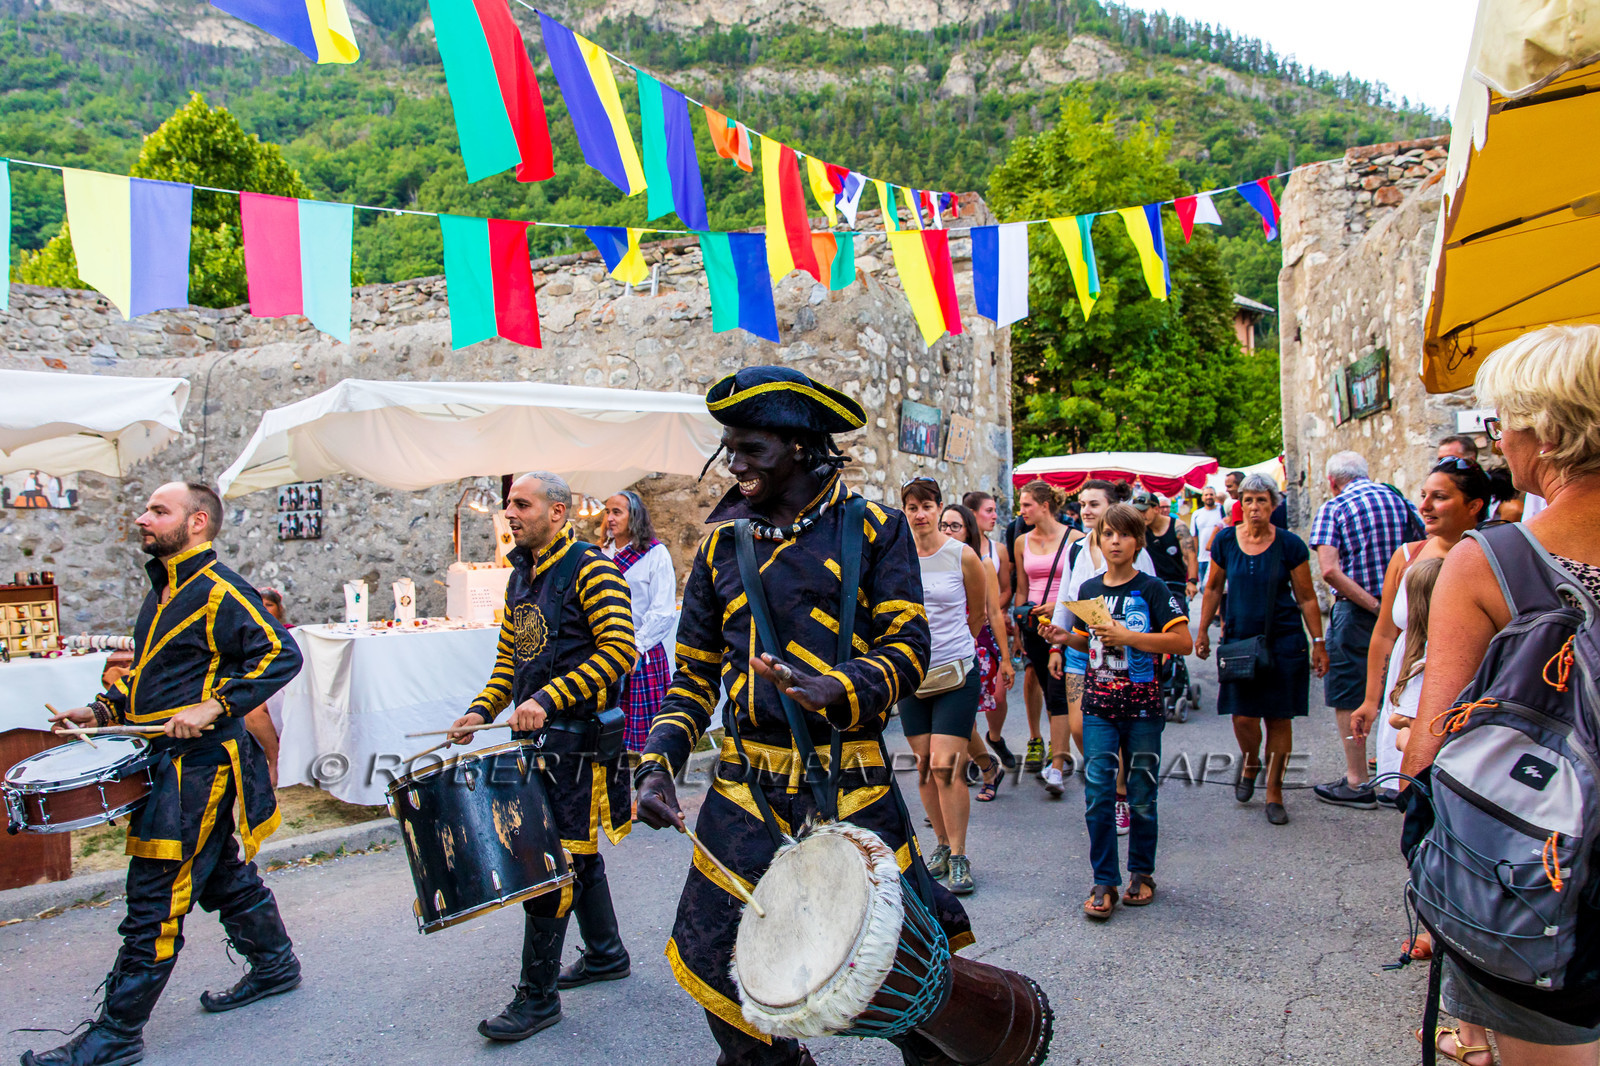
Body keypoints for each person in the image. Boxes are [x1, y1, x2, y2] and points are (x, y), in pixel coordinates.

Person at [632, 367, 972, 1066]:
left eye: (751, 449)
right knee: (725, 976)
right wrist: (658, 765)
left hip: (852, 783)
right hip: (744, 793)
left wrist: (836, 688)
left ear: (801, 446)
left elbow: (909, 646)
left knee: (905, 978)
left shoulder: (875, 529)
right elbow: (693, 675)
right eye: (729, 447)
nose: (735, 464)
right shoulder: (720, 545)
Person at [34, 483, 303, 1066]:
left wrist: (215, 706)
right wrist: (101, 709)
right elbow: (154, 672)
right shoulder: (163, 588)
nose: (142, 518)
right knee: (221, 875)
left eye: (158, 511)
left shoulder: (221, 589)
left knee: (156, 896)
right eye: (147, 510)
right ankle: (275, 964)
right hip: (167, 760)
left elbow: (282, 654)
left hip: (200, 769)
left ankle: (117, 1034)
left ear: (197, 522)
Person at [1402, 325, 1600, 1066]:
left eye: (1500, 425)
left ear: (1545, 433)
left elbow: (1431, 748)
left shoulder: (1493, 560)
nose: (1498, 444)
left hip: (1544, 879)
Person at [446, 471, 638, 1041]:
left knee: (551, 865)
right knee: (572, 853)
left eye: (521, 504)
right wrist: (479, 712)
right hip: (540, 743)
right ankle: (605, 953)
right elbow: (510, 662)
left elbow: (621, 651)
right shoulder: (520, 577)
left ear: (558, 512)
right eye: (509, 503)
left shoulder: (592, 569)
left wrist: (547, 699)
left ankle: (538, 998)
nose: (509, 512)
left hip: (579, 743)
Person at [1054, 504, 1191, 919]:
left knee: (1142, 794)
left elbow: (1182, 642)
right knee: (1098, 795)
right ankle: (1104, 880)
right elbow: (1089, 641)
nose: (1115, 542)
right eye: (1108, 534)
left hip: (1143, 708)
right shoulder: (1089, 589)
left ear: (1138, 542)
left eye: (1124, 534)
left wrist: (1129, 636)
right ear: (1098, 540)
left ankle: (1142, 873)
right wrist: (1064, 637)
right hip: (1098, 706)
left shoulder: (1152, 589)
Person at [1348, 458, 1492, 807]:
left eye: (1439, 497)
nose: (1424, 506)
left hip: (1464, 692)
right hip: (1405, 692)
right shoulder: (1408, 556)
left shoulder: (1493, 558)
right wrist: (1371, 701)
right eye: (1423, 495)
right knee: (1408, 799)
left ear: (1474, 506)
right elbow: (1385, 633)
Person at [1195, 474, 1328, 825]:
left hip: (1284, 641)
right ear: (1240, 504)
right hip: (1239, 640)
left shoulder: (1290, 545)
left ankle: (1274, 792)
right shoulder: (1226, 540)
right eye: (1249, 500)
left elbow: (1307, 597)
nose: (1254, 507)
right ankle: (1251, 762)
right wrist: (1203, 631)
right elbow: (1213, 588)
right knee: (1242, 716)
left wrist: (1318, 642)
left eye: (1262, 500)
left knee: (1279, 717)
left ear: (1273, 505)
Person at [1309, 450, 1424, 809]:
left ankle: (1357, 781)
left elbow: (1329, 570)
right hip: (1404, 611)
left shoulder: (1335, 507)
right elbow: (1422, 549)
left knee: (1348, 692)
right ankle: (1398, 778)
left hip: (1358, 610)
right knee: (1400, 688)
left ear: (1332, 481)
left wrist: (1375, 606)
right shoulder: (1398, 500)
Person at [1045, 480, 1155, 819]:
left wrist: (1136, 639)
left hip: (1124, 657)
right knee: (1080, 728)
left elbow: (1150, 601)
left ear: (1112, 507)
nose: (1086, 511)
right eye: (1082, 504)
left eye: (1094, 504)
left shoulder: (1136, 552)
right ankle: (1110, 781)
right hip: (1081, 650)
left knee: (1118, 729)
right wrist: (1056, 644)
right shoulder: (1076, 548)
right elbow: (1066, 596)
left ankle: (1119, 794)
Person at [899, 481, 989, 893]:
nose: (920, 514)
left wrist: (952, 645)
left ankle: (959, 855)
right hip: (912, 676)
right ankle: (940, 843)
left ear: (939, 508)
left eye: (927, 506)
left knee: (945, 765)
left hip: (956, 673)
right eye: (912, 507)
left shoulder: (962, 555)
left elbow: (978, 614)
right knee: (923, 765)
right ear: (904, 511)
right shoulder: (897, 557)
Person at [940, 502, 1014, 802]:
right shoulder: (928, 562)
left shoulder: (981, 564)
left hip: (976, 648)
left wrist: (1006, 659)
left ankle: (953, 790)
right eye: (944, 525)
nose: (947, 531)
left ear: (968, 531)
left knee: (960, 720)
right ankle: (985, 769)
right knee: (957, 722)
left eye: (955, 526)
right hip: (939, 650)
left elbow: (993, 613)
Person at [601, 490, 678, 753]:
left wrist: (637, 646)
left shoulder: (655, 554)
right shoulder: (601, 553)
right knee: (607, 731)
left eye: (617, 512)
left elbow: (663, 610)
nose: (610, 518)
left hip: (640, 651)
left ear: (634, 516)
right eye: (607, 512)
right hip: (604, 649)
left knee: (646, 736)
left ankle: (650, 773)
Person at [1010, 480, 1073, 778]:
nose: (1021, 511)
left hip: (1065, 622)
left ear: (1045, 506)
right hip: (1033, 624)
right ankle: (1042, 740)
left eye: (1027, 505)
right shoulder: (1021, 541)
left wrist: (1058, 606)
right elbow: (1021, 589)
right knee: (1038, 678)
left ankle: (1059, 751)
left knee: (1058, 685)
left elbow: (1081, 586)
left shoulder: (1075, 539)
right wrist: (1018, 629)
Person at [962, 490, 1018, 770]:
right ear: (972, 515)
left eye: (996, 510)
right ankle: (972, 756)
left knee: (998, 695)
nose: (995, 516)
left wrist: (991, 607)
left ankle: (994, 737)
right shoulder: (953, 552)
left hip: (988, 629)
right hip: (962, 632)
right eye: (989, 510)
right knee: (964, 701)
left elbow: (1005, 590)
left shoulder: (997, 551)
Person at [245, 587, 291, 788]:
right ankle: (273, 759)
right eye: (260, 605)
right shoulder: (247, 634)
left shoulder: (291, 632)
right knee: (248, 707)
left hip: (285, 686)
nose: (264, 609)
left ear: (279, 608)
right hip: (259, 685)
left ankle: (277, 762)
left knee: (254, 709)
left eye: (269, 605)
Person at [1190, 487, 1226, 589]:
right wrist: (1194, 558)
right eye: (1206, 495)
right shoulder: (1197, 514)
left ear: (1215, 496)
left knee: (1220, 588)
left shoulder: (1221, 511)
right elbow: (1195, 537)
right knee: (1205, 589)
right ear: (1202, 498)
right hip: (1203, 558)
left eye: (1211, 494)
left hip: (1219, 557)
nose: (1209, 497)